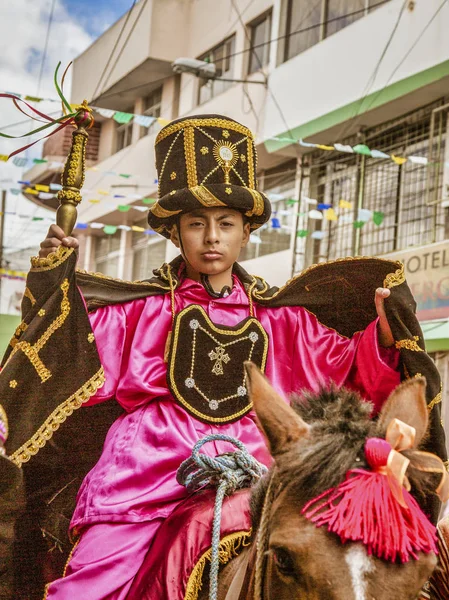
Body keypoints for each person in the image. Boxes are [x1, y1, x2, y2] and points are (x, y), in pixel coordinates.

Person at [32, 114, 406, 599]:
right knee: (84, 590)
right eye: (196, 224)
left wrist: (385, 335)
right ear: (175, 234)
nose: (212, 237)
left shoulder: (282, 320)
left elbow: (349, 370)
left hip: (257, 468)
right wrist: (51, 281)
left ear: (245, 233)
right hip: (144, 474)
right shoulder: (138, 311)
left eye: (225, 224)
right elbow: (67, 356)